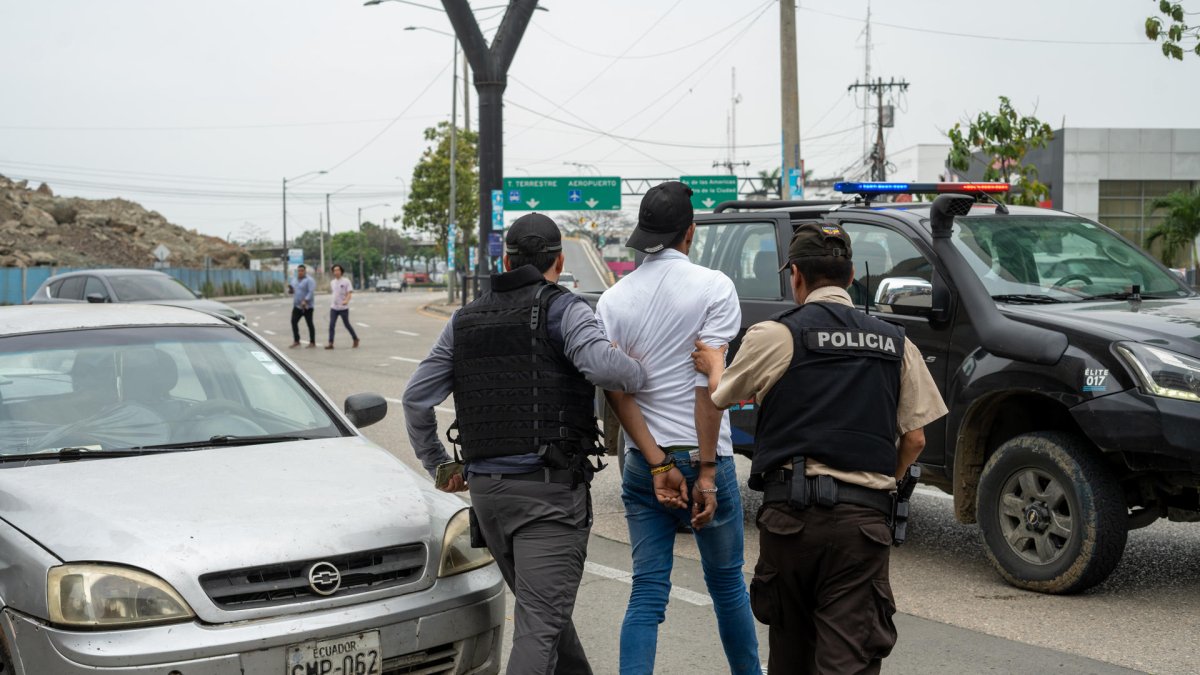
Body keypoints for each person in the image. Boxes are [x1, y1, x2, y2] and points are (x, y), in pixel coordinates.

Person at [692, 222, 949, 675]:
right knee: (848, 661)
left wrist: (715, 362)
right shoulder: (895, 341)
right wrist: (877, 482)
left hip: (789, 522)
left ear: (796, 276)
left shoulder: (774, 335)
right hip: (863, 525)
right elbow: (916, 437)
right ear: (851, 277)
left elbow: (722, 396)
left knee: (790, 657)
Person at [403, 213, 646, 674]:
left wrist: (440, 464)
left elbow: (416, 399)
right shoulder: (564, 308)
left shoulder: (465, 320)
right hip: (547, 499)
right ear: (558, 260)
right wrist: (637, 368)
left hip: (489, 496)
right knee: (540, 625)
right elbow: (607, 370)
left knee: (546, 613)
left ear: (506, 258)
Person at [596, 181, 761, 675]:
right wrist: (705, 473)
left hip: (645, 463)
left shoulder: (613, 300)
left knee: (646, 590)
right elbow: (705, 389)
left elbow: (617, 394)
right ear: (689, 233)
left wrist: (657, 462)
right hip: (708, 454)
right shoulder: (715, 287)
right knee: (728, 586)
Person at [326, 264, 360, 349]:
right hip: (334, 307)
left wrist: (346, 301)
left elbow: (349, 293)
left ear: (341, 271)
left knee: (346, 324)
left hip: (343, 308)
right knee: (331, 324)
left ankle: (355, 338)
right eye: (335, 270)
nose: (336, 272)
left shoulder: (346, 281)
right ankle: (330, 343)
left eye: (338, 270)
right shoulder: (332, 282)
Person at [289, 264, 316, 348]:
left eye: (302, 271)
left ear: (305, 271)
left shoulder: (309, 280)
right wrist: (290, 290)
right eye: (299, 271)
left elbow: (311, 292)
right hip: (297, 306)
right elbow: (292, 291)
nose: (300, 272)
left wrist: (305, 300)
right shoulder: (294, 280)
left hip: (307, 307)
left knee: (309, 324)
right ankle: (296, 340)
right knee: (293, 321)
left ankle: (312, 342)